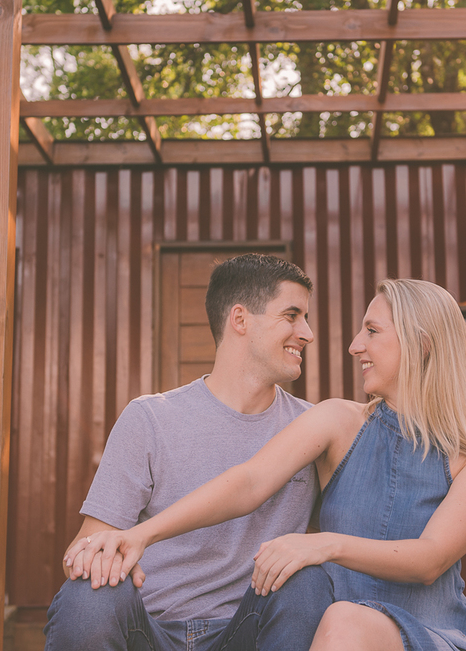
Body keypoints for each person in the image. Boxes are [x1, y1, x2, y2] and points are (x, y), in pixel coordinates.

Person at [70, 279, 466, 651]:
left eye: (372, 331)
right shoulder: (338, 422)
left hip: (428, 633)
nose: (353, 345)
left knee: (342, 620)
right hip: (335, 629)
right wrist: (140, 534)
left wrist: (324, 545)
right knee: (337, 618)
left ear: (421, 345)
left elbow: (430, 559)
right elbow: (249, 481)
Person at [44, 253, 333, 651]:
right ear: (240, 319)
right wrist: (96, 557)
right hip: (150, 633)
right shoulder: (149, 418)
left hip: (250, 630)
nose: (307, 332)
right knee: (88, 595)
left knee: (309, 581)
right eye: (292, 315)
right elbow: (87, 548)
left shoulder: (313, 429)